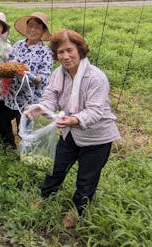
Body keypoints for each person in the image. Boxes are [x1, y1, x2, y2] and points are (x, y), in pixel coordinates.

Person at [27, 29, 120, 228]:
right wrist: (40, 108)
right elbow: (50, 97)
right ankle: (45, 196)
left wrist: (72, 119)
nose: (65, 56)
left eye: (70, 50)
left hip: (97, 138)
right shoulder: (58, 74)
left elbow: (95, 111)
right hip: (70, 133)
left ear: (80, 50)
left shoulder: (95, 77)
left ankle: (78, 210)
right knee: (56, 168)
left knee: (87, 178)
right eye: (60, 52)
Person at [0, 12, 53, 148]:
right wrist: (0, 72)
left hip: (29, 99)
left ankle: (26, 153)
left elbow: (44, 78)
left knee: (25, 129)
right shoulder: (18, 45)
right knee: (3, 123)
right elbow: (8, 63)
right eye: (30, 26)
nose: (32, 30)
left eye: (37, 28)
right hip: (10, 94)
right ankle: (8, 148)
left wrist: (31, 76)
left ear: (43, 31)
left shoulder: (46, 52)